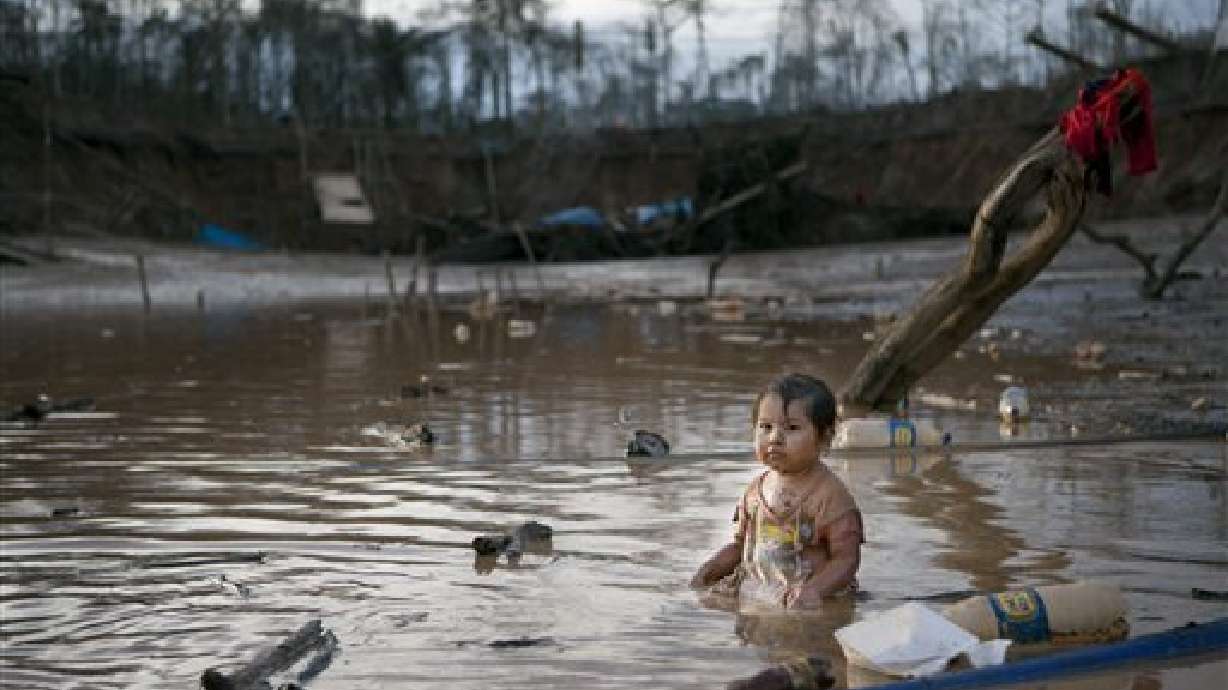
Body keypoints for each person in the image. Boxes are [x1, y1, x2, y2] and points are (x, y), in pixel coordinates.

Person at [691, 373, 863, 609]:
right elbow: (741, 546)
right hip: (762, 594)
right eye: (766, 427)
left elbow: (846, 559)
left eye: (791, 428)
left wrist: (815, 590)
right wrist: (709, 570)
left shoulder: (830, 496)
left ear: (824, 438)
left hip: (811, 601)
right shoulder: (754, 492)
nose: (775, 438)